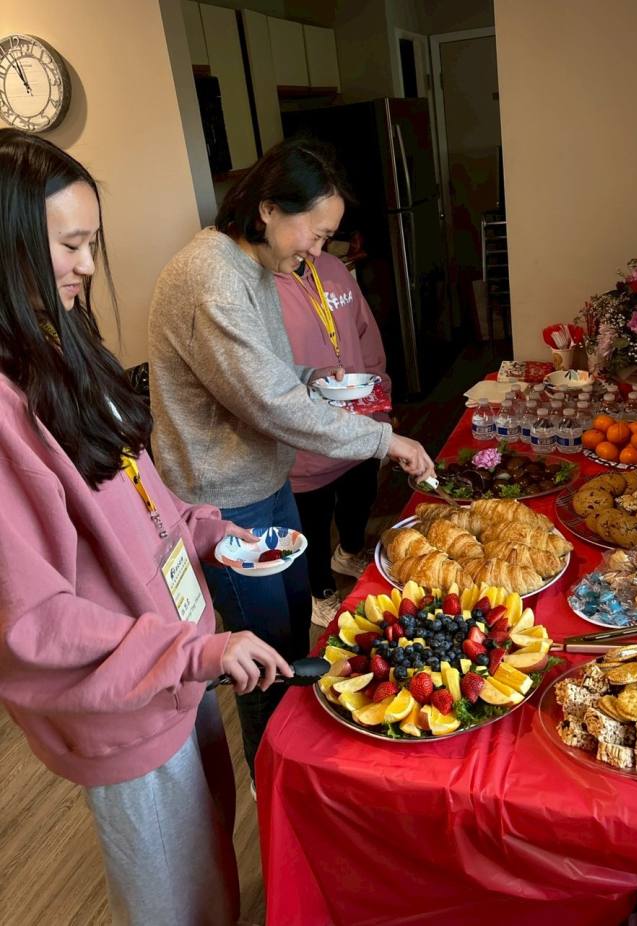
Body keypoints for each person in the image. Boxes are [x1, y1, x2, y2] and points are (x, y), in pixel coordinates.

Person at [0, 128, 292, 926]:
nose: (87, 265)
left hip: (175, 666)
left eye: (90, 243)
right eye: (69, 245)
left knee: (208, 867)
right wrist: (193, 651)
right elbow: (32, 622)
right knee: (173, 901)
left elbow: (139, 492)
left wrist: (206, 532)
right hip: (129, 695)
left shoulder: (63, 345)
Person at [148, 137, 434, 780]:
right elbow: (267, 402)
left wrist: (313, 377)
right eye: (318, 233)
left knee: (290, 629)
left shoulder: (252, 267)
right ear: (270, 209)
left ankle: (291, 772)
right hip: (224, 499)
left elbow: (267, 377)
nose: (320, 251)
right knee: (265, 656)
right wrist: (384, 440)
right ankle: (274, 783)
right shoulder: (211, 278)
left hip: (263, 480)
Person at [275, 248, 389, 635]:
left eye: (325, 235)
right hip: (307, 435)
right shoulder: (261, 281)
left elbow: (366, 335)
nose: (317, 246)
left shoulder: (332, 267)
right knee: (313, 519)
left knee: (362, 493)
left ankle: (350, 551)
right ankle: (319, 590)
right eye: (316, 231)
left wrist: (380, 400)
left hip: (358, 418)